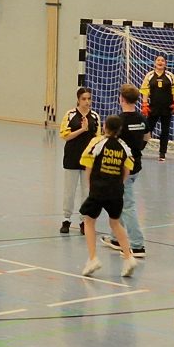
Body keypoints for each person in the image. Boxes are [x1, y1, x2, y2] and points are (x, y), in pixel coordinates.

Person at [79, 115, 137, 278]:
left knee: (89, 221)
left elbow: (88, 164)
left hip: (98, 189)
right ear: (119, 130)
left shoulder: (97, 142)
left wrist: (90, 186)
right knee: (115, 223)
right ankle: (129, 257)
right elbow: (127, 170)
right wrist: (118, 185)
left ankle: (92, 259)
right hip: (116, 191)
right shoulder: (124, 147)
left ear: (105, 127)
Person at [100, 84, 149, 257]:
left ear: (121, 99)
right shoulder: (142, 118)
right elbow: (147, 137)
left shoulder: (118, 120)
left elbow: (109, 142)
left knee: (127, 205)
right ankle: (116, 238)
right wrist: (138, 148)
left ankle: (137, 245)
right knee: (118, 200)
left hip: (122, 169)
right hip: (136, 165)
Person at [59, 87, 100, 234]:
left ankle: (84, 221)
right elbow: (65, 136)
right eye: (84, 99)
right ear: (78, 99)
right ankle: (66, 219)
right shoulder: (70, 115)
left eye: (89, 98)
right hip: (72, 157)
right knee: (69, 191)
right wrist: (82, 129)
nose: (87, 102)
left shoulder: (95, 116)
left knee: (87, 191)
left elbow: (97, 139)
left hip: (88, 160)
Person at [140, 53, 174, 161]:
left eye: (162, 60)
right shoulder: (149, 75)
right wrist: (144, 104)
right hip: (153, 107)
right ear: (155, 62)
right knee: (147, 130)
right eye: (158, 60)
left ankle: (162, 153)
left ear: (165, 64)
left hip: (167, 108)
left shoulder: (170, 75)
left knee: (165, 131)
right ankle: (139, 149)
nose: (160, 62)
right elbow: (145, 91)